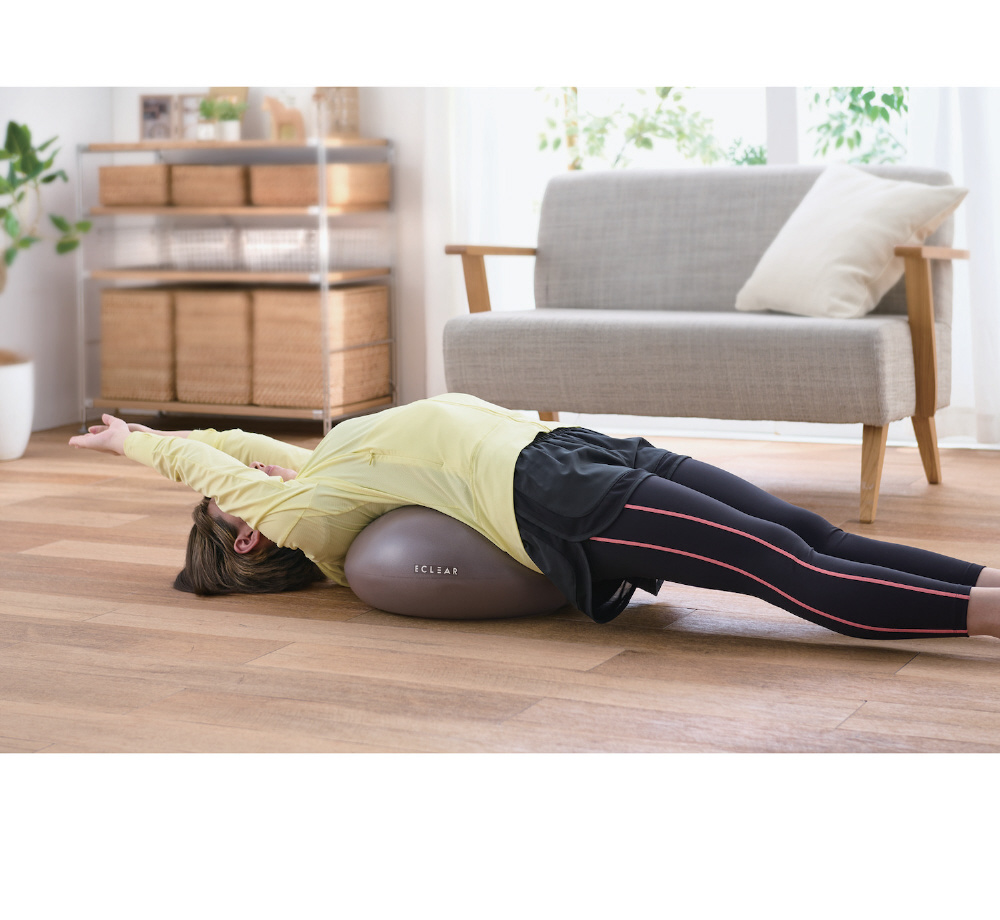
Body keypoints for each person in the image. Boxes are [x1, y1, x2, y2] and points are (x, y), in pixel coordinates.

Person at [69, 393, 1000, 641]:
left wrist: (165, 429)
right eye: (233, 492)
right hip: (562, 498)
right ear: (247, 527)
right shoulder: (307, 514)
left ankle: (988, 585)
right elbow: (209, 461)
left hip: (582, 449)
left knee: (809, 532)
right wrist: (135, 446)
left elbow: (227, 439)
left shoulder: (327, 469)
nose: (243, 470)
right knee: (784, 569)